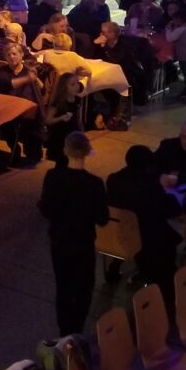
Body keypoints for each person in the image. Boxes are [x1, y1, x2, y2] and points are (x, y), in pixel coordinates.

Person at [38, 132, 110, 336]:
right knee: (83, 287)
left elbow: (46, 209)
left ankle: (64, 330)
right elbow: (102, 219)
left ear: (65, 151)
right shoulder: (94, 184)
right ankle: (76, 328)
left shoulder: (53, 177)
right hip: (83, 242)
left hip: (59, 240)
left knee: (63, 286)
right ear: (87, 152)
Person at [105, 146, 182, 297]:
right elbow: (173, 210)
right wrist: (168, 192)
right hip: (144, 238)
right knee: (167, 237)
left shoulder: (113, 179)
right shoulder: (150, 187)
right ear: (149, 165)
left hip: (118, 233)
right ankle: (166, 282)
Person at [164, 3, 186, 101]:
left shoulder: (180, 29)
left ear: (180, 20)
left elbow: (170, 38)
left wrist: (168, 29)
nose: (173, 21)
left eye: (175, 19)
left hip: (183, 55)